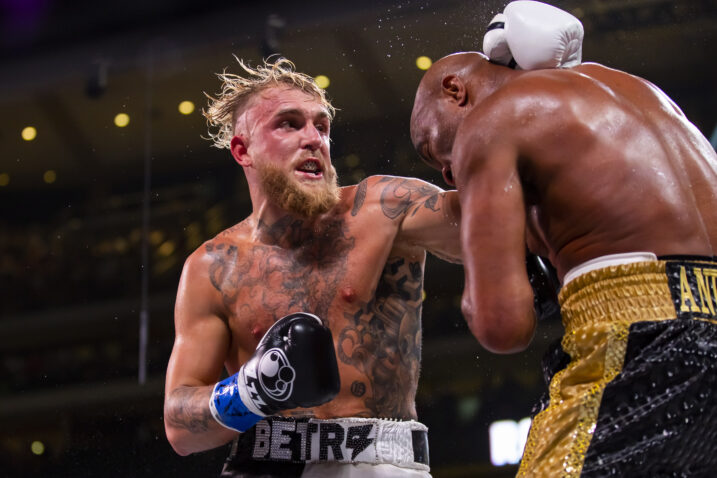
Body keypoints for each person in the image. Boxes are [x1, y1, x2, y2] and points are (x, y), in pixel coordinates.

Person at [410, 41, 717, 476]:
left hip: (637, 341)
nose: (444, 171)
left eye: (429, 146)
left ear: (455, 90)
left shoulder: (489, 122)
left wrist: (498, 263)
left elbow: (503, 326)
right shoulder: (640, 91)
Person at [163, 56, 463, 478]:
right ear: (242, 150)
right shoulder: (213, 266)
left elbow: (494, 225)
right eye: (289, 123)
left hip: (380, 463)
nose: (314, 139)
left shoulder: (384, 209)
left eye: (321, 126)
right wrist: (254, 390)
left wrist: (510, 107)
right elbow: (179, 426)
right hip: (261, 464)